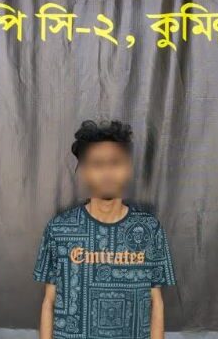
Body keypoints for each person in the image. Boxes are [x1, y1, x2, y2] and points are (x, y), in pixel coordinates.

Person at [33, 119, 176, 339]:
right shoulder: (59, 229)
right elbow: (49, 301)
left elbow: (156, 301)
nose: (107, 172)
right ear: (83, 171)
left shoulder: (149, 229)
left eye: (116, 163)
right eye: (97, 164)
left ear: (128, 168)